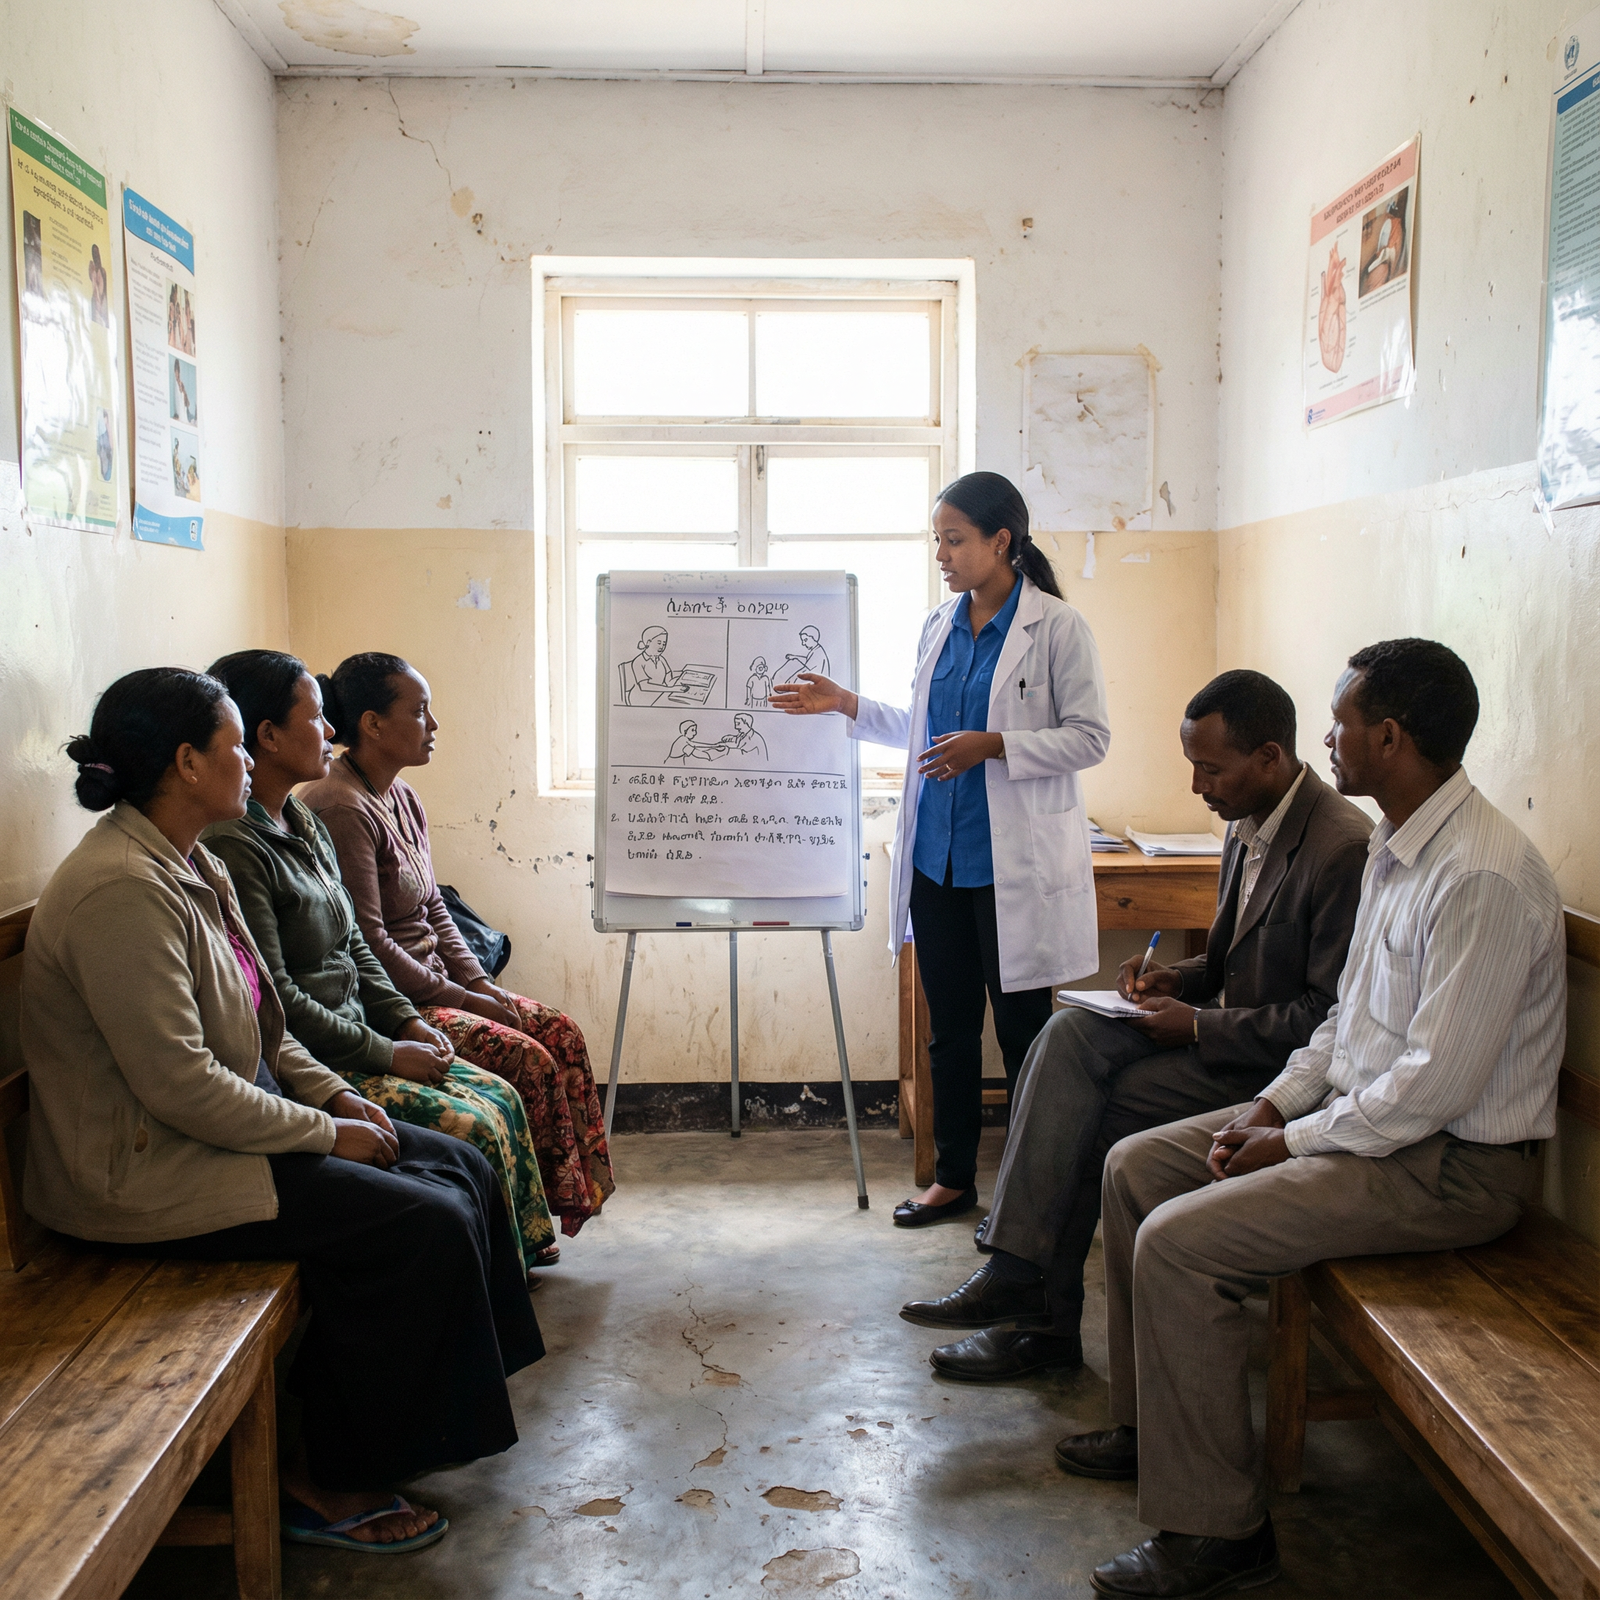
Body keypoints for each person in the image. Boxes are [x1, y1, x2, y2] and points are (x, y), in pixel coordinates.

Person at [1066, 640, 1564, 1599]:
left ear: (1387, 737)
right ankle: (1155, 1433)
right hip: (1374, 1127)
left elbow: (1431, 1087)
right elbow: (1351, 1021)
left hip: (1452, 1169)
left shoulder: (1481, 877)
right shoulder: (1397, 843)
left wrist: (1288, 1141)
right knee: (1136, 1167)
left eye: (1338, 725)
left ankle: (1222, 1536)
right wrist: (1270, 1104)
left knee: (1178, 1242)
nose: (1325, 741)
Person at [22, 668, 542, 1553]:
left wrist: (339, 1095)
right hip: (145, 1177)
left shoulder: (187, 860)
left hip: (216, 1132)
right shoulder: (121, 890)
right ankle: (323, 1481)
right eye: (232, 747)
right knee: (413, 1225)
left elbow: (267, 1026)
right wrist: (324, 1131)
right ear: (188, 763)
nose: (244, 763)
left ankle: (432, 1412)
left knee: (458, 1165)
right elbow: (179, 1084)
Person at [900, 670, 1371, 1379]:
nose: (1195, 787)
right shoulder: (1249, 821)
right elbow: (1228, 957)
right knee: (1066, 1034)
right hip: (1224, 1040)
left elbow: (1327, 1020)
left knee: (1094, 1112)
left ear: (1269, 758)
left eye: (1209, 769)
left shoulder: (1341, 849)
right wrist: (1171, 980)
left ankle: (1040, 1318)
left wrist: (1196, 1028)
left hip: (1276, 1077)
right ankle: (1020, 1272)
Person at [773, 471, 1110, 1227]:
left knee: (1025, 1038)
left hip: (1010, 870)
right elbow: (924, 732)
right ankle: (955, 1179)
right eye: (937, 540)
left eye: (955, 540)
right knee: (949, 1032)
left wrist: (995, 745)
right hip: (938, 863)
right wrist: (847, 705)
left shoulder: (1056, 628)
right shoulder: (938, 626)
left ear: (1001, 541)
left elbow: (1090, 739)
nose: (943, 555)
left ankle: (1035, 1196)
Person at [202, 650, 558, 1276]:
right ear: (268, 737)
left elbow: (357, 945)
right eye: (316, 719)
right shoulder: (240, 843)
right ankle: (490, 1281)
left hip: (368, 1029)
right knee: (473, 1126)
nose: (330, 733)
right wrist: (389, 1048)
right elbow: (277, 998)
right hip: (326, 1060)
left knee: (499, 1096)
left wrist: (409, 1022)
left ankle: (510, 1267)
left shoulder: (304, 821)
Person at [301, 653, 615, 1238]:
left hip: (442, 983)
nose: (434, 724)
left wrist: (479, 984)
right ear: (372, 724)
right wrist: (462, 999)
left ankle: (565, 1203)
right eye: (419, 712)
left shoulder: (403, 797)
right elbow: (369, 941)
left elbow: (436, 910)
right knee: (529, 1057)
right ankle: (525, 1229)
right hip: (398, 1001)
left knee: (560, 1032)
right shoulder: (340, 807)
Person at [624, 626, 678, 702]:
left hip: (660, 694)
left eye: (664, 644)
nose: (662, 647)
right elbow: (644, 686)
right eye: (659, 643)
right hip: (642, 698)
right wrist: (671, 689)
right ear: (648, 642)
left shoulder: (661, 659)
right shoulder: (638, 661)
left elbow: (668, 680)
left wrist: (681, 681)